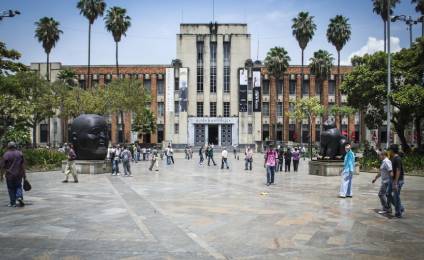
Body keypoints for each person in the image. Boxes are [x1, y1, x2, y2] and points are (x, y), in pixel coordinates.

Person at [0, 142, 27, 207]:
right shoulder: (20, 153)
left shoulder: (6, 154)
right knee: (18, 186)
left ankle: (13, 203)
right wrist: (24, 175)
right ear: (15, 146)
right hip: (18, 174)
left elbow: (2, 166)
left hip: (9, 175)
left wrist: (1, 176)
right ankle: (19, 197)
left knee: (11, 188)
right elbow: (23, 165)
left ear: (8, 147)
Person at [389, 144, 405, 218]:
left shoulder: (397, 158)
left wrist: (395, 182)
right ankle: (400, 207)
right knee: (388, 194)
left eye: (390, 150)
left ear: (392, 150)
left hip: (398, 181)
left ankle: (398, 213)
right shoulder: (393, 158)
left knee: (396, 196)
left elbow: (398, 170)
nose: (389, 151)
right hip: (394, 180)